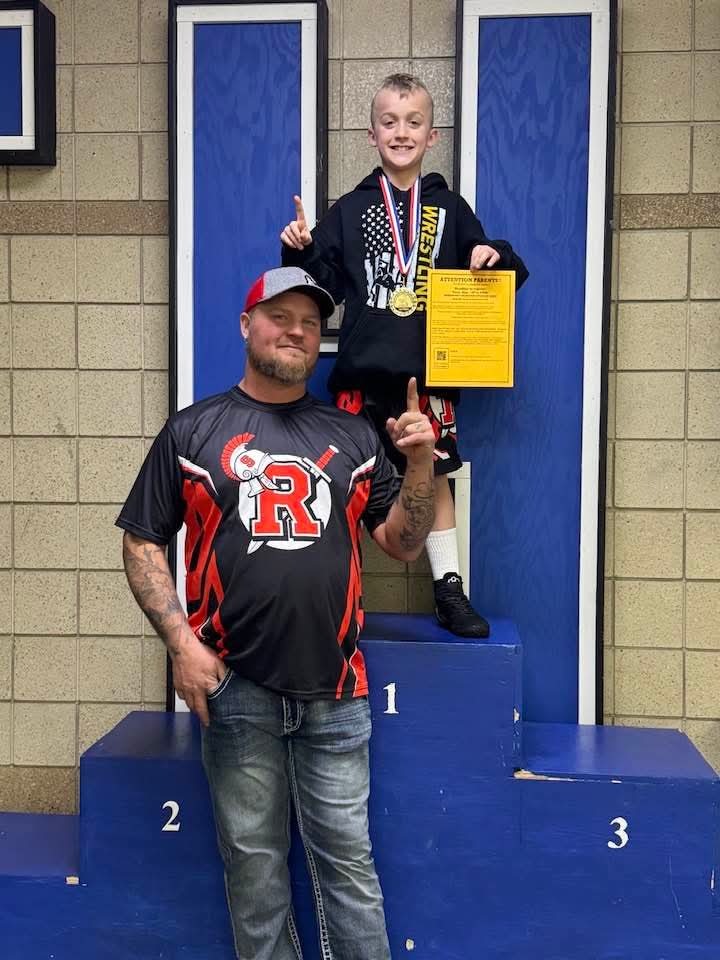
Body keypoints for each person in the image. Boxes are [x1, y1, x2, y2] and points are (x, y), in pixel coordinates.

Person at [117, 266, 436, 960]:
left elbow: (404, 544)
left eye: (310, 323)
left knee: (349, 870)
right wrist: (181, 644)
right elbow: (142, 540)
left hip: (337, 691)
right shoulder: (192, 432)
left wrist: (419, 464)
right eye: (279, 316)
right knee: (254, 872)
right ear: (246, 325)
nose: (296, 331)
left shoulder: (354, 437)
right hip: (234, 687)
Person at [280, 73, 529, 639]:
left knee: (435, 476)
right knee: (344, 482)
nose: (401, 132)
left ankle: (449, 590)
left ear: (431, 135)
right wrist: (300, 249)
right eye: (389, 122)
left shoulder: (450, 207)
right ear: (371, 135)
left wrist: (494, 253)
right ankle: (336, 592)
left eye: (413, 122)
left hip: (429, 380)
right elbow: (320, 289)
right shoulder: (349, 209)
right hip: (360, 381)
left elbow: (498, 271)